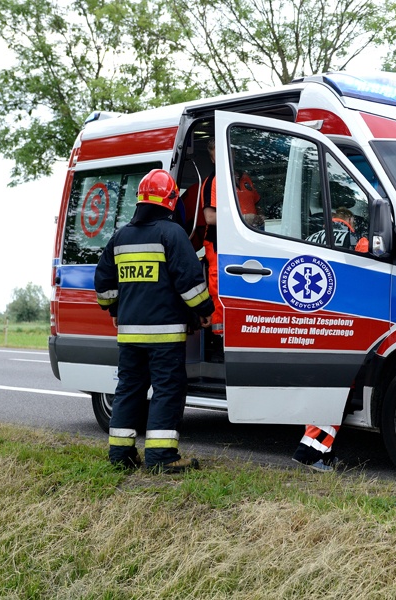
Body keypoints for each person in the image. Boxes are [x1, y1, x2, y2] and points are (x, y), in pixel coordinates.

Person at [94, 169, 215, 474]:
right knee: (167, 389)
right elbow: (189, 283)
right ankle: (162, 457)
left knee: (129, 390)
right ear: (171, 200)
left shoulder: (120, 236)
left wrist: (114, 309)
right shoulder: (171, 233)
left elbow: (103, 284)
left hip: (130, 335)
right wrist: (204, 310)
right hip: (164, 335)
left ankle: (120, 456)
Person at [199, 136, 263, 358]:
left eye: (226, 152)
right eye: (216, 154)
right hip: (219, 242)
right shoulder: (214, 181)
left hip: (246, 242)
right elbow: (209, 217)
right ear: (212, 157)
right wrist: (243, 218)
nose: (223, 158)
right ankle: (219, 341)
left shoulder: (244, 178)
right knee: (219, 286)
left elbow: (255, 203)